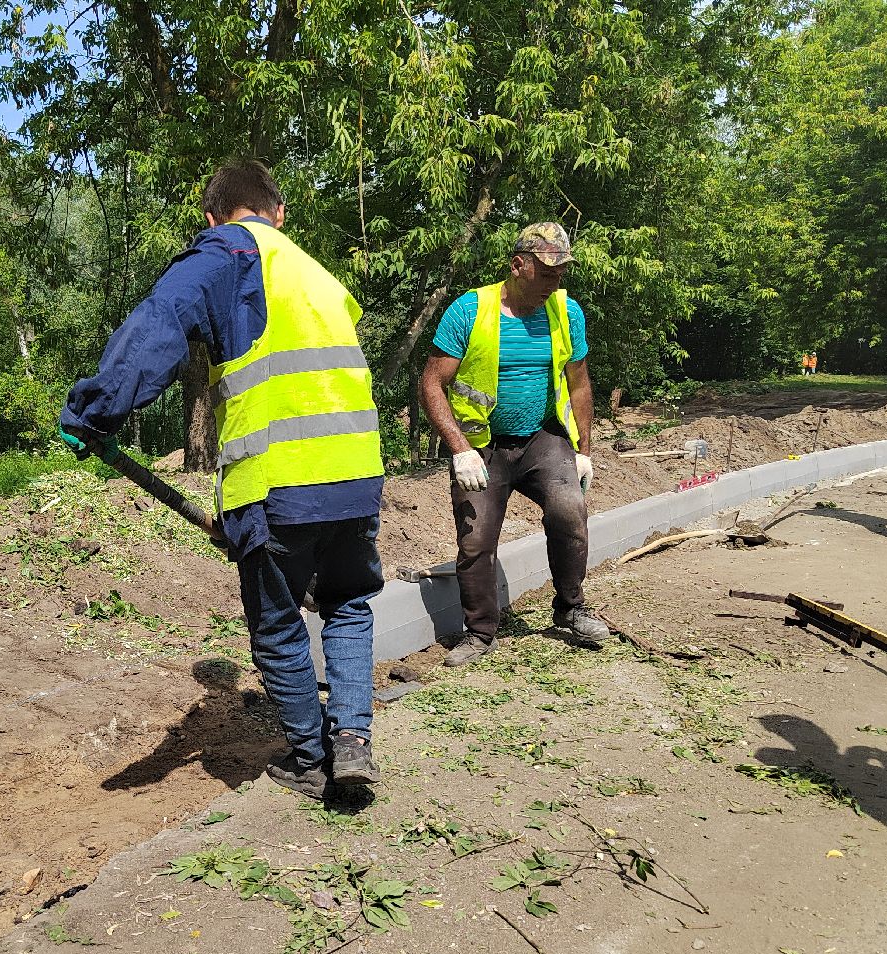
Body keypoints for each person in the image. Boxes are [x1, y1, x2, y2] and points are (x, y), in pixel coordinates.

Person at [59, 160, 386, 798]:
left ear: (213, 216)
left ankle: (311, 758)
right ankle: (353, 743)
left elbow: (160, 324)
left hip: (278, 480)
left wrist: (96, 410)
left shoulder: (228, 253)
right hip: (356, 474)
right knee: (348, 604)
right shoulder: (318, 276)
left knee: (275, 618)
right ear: (280, 213)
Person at [419, 222, 608, 668]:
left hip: (542, 438)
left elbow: (579, 384)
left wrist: (584, 449)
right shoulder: (471, 310)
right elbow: (431, 382)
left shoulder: (567, 312)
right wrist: (458, 447)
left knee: (568, 510)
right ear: (518, 265)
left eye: (560, 274)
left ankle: (571, 607)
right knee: (475, 540)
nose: (553, 282)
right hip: (482, 445)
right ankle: (480, 632)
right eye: (545, 273)